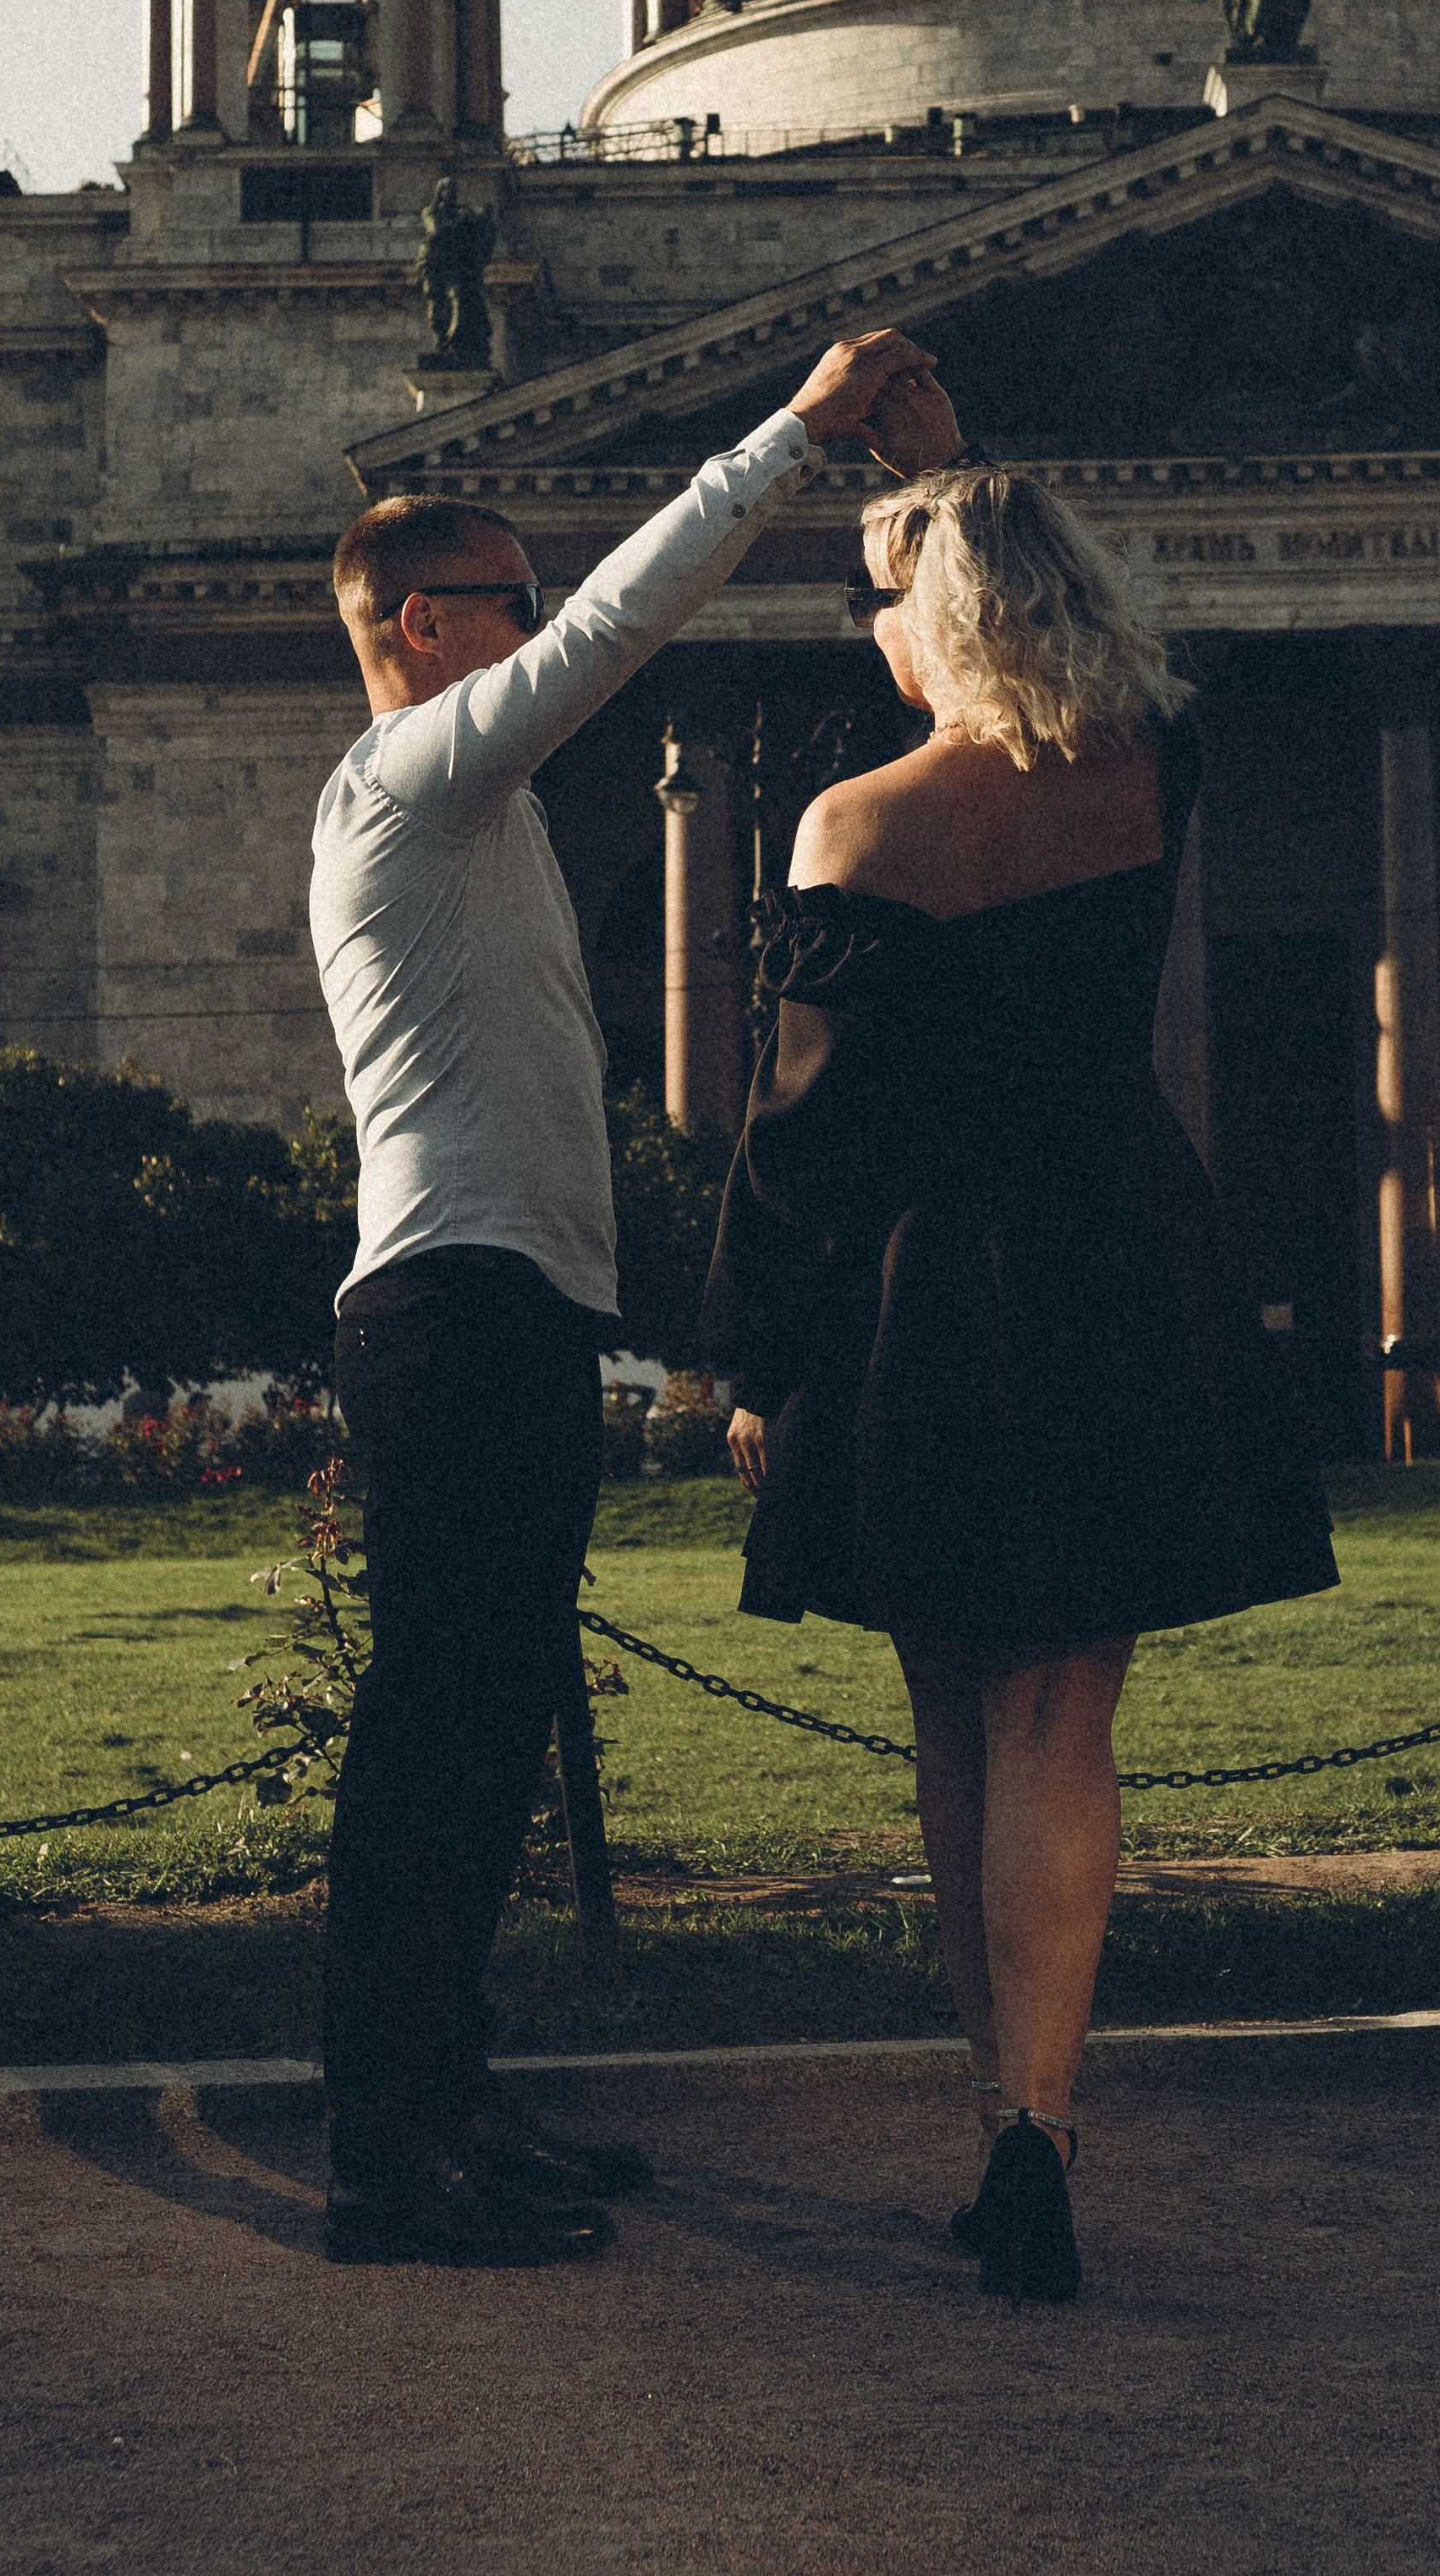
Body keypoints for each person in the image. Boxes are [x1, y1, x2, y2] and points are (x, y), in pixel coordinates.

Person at [311, 327, 938, 2270]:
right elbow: (616, 631)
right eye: (503, 601)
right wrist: (793, 440)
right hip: (455, 1306)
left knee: (486, 1734)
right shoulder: (408, 780)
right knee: (439, 1737)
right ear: (423, 626)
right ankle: (384, 2161)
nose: (536, 628)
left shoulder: (459, 816)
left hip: (505, 1303)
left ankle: (451, 2105)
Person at [703, 445, 1339, 2304]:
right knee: (1066, 1721)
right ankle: (1041, 2133)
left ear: (929, 616)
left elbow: (802, 1137)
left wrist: (751, 1351)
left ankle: (991, 2108)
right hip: (1123, 1257)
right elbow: (1026, 568)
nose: (872, 632)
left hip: (922, 1293)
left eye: (879, 597)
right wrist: (954, 485)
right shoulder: (1148, 776)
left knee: (949, 1713)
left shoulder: (855, 825)